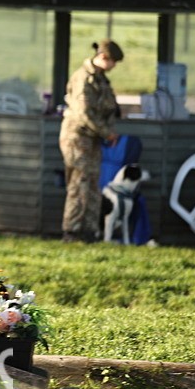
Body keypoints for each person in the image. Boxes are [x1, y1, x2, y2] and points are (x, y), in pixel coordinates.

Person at [59, 39, 123, 242]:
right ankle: (72, 231)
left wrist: (107, 131)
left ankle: (89, 231)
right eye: (113, 62)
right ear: (104, 57)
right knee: (79, 183)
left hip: (93, 138)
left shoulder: (100, 79)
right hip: (78, 138)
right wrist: (107, 133)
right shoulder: (83, 78)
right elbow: (84, 112)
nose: (114, 67)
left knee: (93, 183)